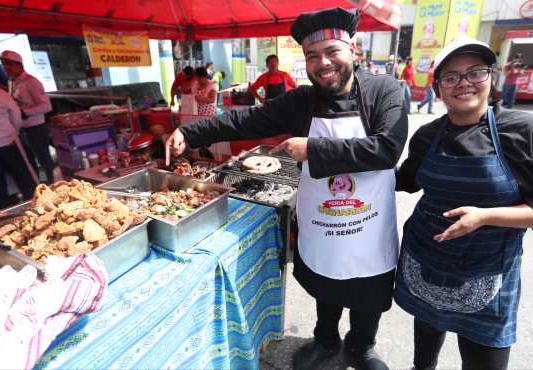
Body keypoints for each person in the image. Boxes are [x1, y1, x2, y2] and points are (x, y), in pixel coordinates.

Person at [166, 7, 408, 370]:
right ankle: (326, 341)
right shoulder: (302, 101)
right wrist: (189, 131)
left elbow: (387, 149)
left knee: (367, 291)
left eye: (332, 52)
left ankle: (361, 346)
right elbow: (244, 119)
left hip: (367, 223)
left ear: (352, 52)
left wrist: (312, 149)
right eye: (313, 56)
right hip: (325, 222)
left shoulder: (383, 90)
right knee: (326, 282)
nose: (323, 63)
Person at [395, 38, 533, 370]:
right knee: (425, 349)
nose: (464, 83)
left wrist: (485, 217)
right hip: (426, 261)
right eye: (451, 77)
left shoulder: (521, 130)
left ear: (492, 77)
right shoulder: (427, 135)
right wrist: (343, 162)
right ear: (438, 88)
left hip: (488, 270)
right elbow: (404, 181)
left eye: (475, 72)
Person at [0, 50, 54, 184]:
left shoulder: (31, 82)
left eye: (8, 64)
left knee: (43, 157)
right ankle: (37, 184)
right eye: (3, 64)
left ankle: (52, 183)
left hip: (35, 127)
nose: (5, 68)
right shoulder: (12, 81)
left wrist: (24, 112)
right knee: (29, 158)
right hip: (21, 127)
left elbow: (46, 106)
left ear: (19, 65)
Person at [0, 84, 36, 211]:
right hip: (8, 142)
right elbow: (16, 115)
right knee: (25, 179)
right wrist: (13, 131)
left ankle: (3, 218)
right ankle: (35, 209)